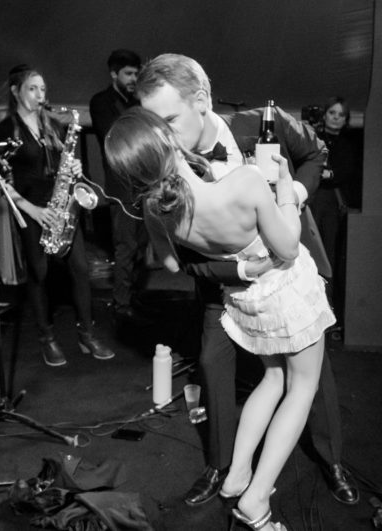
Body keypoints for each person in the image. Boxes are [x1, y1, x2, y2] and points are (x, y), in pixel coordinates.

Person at [134, 53, 359, 508]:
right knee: (215, 367)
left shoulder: (260, 122)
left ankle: (330, 459)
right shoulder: (167, 168)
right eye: (152, 122)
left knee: (308, 378)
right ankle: (224, 469)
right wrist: (236, 270)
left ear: (202, 100)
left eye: (170, 118)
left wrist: (294, 190)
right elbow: (174, 260)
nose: (161, 134)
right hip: (225, 287)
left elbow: (316, 152)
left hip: (286, 277)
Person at [106, 106, 334, 530]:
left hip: (244, 302)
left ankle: (236, 476)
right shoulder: (245, 183)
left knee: (273, 379)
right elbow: (286, 247)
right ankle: (257, 497)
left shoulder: (156, 211)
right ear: (170, 143)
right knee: (302, 386)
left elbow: (173, 266)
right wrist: (285, 188)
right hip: (286, 293)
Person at [0, 64, 115, 367]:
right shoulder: (5, 130)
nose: (40, 95)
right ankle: (46, 337)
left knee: (81, 269)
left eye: (43, 89)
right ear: (16, 91)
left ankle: (87, 333)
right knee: (38, 273)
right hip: (33, 209)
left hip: (62, 207)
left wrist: (76, 170)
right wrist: (33, 211)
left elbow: (68, 164)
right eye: (32, 88)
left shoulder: (55, 126)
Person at [88, 49, 149, 323]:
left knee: (141, 247)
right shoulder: (101, 102)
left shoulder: (139, 102)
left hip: (144, 184)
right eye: (128, 73)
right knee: (125, 247)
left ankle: (133, 297)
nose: (134, 78)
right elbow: (116, 135)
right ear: (114, 74)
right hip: (121, 186)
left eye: (137, 73)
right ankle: (121, 305)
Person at [312, 96, 360, 332]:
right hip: (312, 201)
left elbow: (344, 173)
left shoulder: (346, 145)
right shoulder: (313, 137)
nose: (336, 118)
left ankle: (327, 312)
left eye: (341, 115)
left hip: (330, 205)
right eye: (332, 113)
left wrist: (329, 174)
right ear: (324, 115)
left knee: (328, 256)